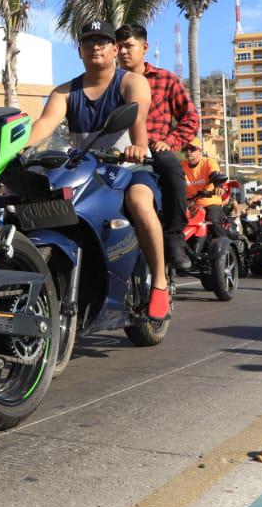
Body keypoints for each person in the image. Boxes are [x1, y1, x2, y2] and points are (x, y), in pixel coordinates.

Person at [28, 20, 171, 320]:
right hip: (85, 172)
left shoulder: (131, 82)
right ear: (79, 50)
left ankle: (159, 282)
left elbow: (138, 119)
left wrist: (137, 148)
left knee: (140, 203)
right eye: (89, 42)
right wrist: (12, 149)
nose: (96, 47)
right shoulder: (64, 92)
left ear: (115, 49)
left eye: (103, 42)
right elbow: (43, 126)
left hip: (129, 168)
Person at [115, 23, 200, 273]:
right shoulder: (109, 81)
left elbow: (191, 118)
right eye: (118, 47)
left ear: (145, 47)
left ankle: (174, 238)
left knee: (171, 165)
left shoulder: (165, 79)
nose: (123, 52)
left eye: (129, 46)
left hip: (154, 150)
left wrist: (170, 142)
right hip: (115, 152)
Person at [182, 143, 226, 226]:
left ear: (200, 151)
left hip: (210, 202)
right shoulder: (181, 165)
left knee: (213, 223)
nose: (188, 151)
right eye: (186, 149)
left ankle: (223, 238)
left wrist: (219, 186)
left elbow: (215, 175)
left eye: (192, 148)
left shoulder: (209, 162)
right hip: (191, 205)